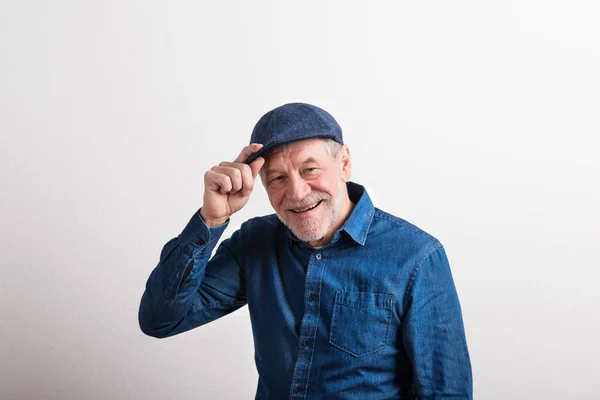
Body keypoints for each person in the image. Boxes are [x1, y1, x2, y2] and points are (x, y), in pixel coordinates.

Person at [138, 102, 473, 399]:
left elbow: (445, 392)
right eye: (278, 178)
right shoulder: (254, 243)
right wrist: (211, 220)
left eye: (310, 170)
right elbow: (161, 320)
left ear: (343, 164)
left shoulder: (415, 256)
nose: (297, 193)